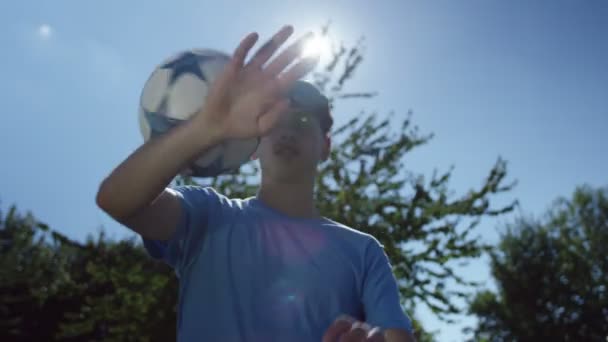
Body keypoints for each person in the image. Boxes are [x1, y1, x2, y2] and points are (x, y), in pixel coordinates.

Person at [96, 25, 416, 342]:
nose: (288, 132)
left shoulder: (362, 251)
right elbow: (116, 200)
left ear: (326, 146)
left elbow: (397, 337)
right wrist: (207, 127)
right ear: (252, 144)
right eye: (276, 121)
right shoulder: (208, 215)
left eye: (304, 122)